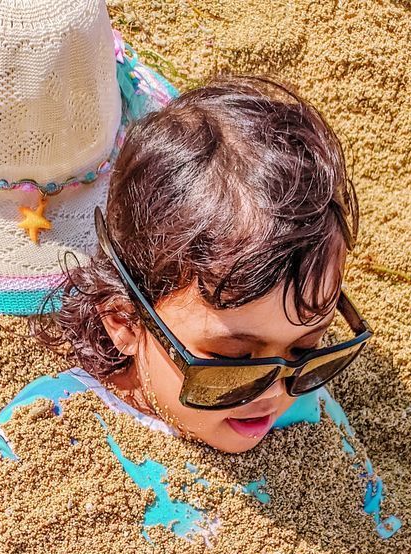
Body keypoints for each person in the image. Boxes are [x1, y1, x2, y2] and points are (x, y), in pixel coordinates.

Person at [31, 76, 371, 454]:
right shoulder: (51, 428)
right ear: (124, 321)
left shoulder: (307, 411)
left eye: (306, 349)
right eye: (231, 361)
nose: (274, 392)